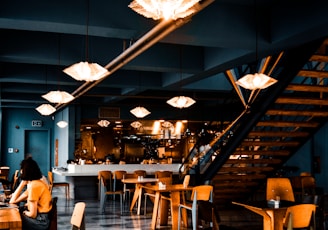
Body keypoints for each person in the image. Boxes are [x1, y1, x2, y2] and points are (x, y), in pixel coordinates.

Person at [9, 157, 52, 230]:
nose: (20, 171)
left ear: (25, 170)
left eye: (21, 169)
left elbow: (32, 214)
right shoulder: (36, 183)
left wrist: (24, 212)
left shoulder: (34, 186)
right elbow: (13, 201)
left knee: (13, 219)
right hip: (42, 219)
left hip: (40, 221)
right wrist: (22, 183)